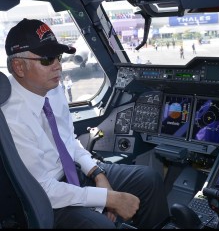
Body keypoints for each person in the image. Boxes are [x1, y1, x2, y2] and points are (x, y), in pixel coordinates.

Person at [1, 18, 170, 229]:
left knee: (150, 179)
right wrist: (107, 199)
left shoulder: (53, 89)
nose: (58, 66)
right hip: (46, 199)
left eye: (58, 57)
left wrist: (97, 173)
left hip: (74, 174)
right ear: (19, 66)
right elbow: (44, 188)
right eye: (47, 59)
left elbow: (68, 140)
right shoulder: (11, 118)